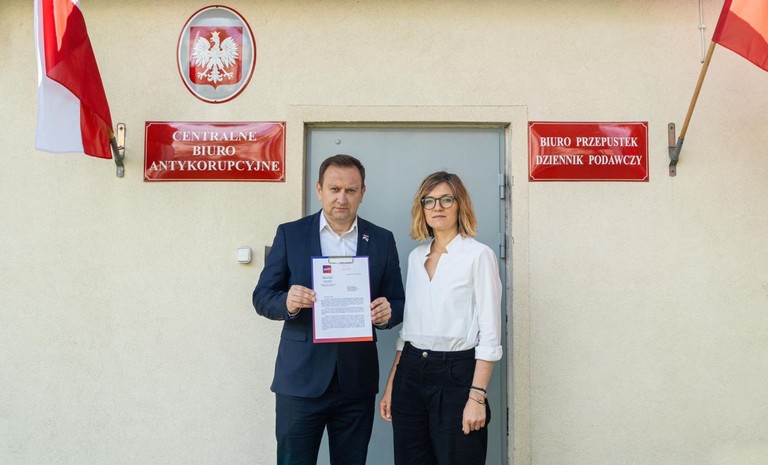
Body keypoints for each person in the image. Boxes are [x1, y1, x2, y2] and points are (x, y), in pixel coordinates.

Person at [252, 154, 405, 465]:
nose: (341, 198)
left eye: (350, 190)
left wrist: (388, 314)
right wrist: (288, 302)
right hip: (300, 380)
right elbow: (262, 296)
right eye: (334, 189)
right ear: (319, 189)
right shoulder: (291, 234)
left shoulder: (381, 239)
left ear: (362, 192)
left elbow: (399, 301)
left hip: (356, 381)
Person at [379, 171, 503, 465]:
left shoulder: (478, 256)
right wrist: (392, 384)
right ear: (422, 208)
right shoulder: (416, 257)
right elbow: (408, 331)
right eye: (429, 200)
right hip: (410, 373)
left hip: (457, 374)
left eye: (446, 199)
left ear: (460, 205)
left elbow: (490, 335)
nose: (437, 207)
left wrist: (477, 396)